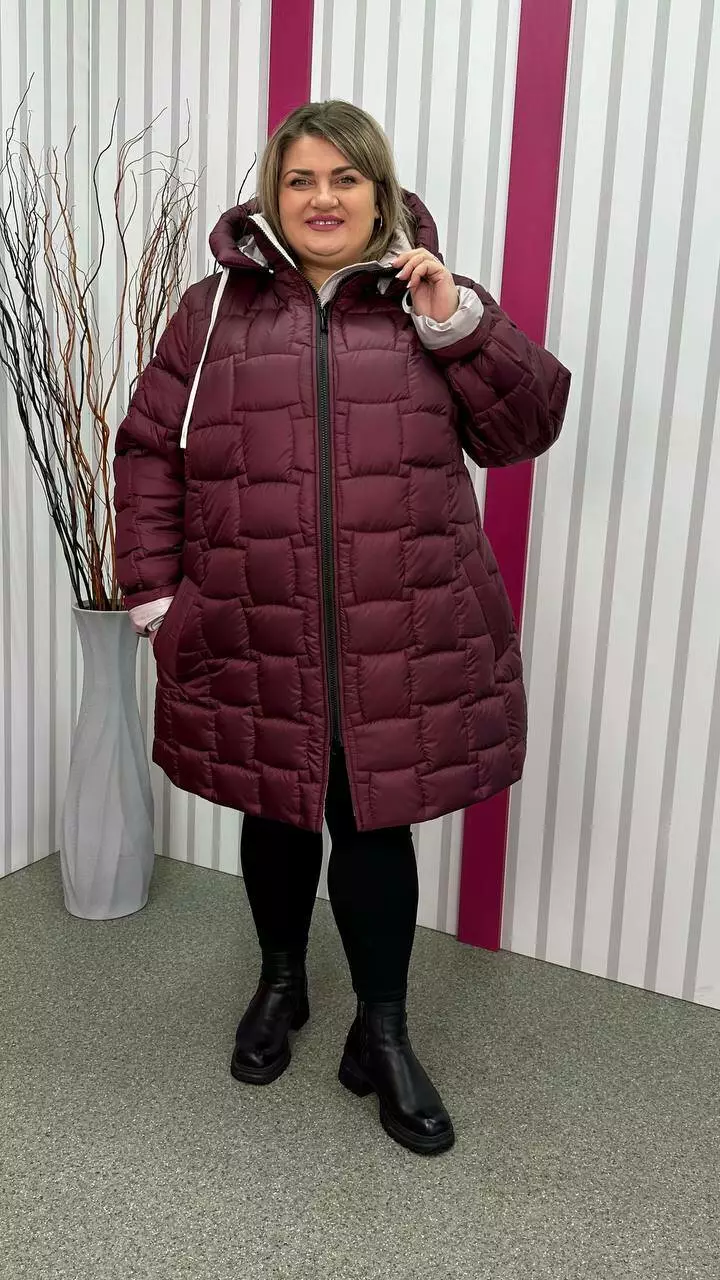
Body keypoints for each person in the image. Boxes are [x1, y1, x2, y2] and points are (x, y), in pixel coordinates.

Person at [113, 99, 570, 1157]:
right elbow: (147, 450)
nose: (323, 198)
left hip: (397, 628)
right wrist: (155, 599)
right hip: (251, 621)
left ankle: (385, 1030)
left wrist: (460, 321)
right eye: (301, 179)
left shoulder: (428, 301)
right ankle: (282, 984)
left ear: (379, 191)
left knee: (372, 823)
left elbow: (526, 427)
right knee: (276, 811)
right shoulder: (211, 312)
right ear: (273, 196)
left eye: (344, 178)